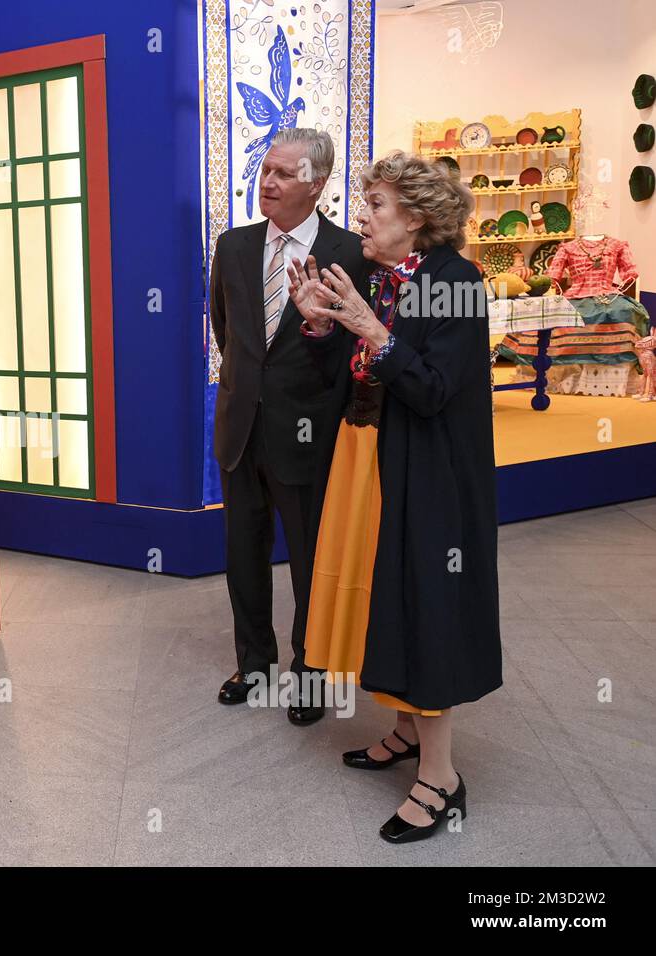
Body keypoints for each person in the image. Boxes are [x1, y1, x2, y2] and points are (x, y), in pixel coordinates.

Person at [289, 150, 502, 843]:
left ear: (416, 217)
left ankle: (442, 777)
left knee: (426, 607)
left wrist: (372, 330)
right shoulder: (386, 278)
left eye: (375, 204)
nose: (362, 216)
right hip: (376, 462)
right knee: (389, 600)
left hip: (432, 474)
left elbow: (435, 388)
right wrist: (321, 324)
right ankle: (406, 730)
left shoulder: (458, 282)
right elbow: (357, 370)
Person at [208, 129, 370, 724]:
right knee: (242, 555)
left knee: (308, 560)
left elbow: (355, 353)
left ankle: (309, 671)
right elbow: (227, 333)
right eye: (264, 171)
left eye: (282, 174)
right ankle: (254, 664)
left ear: (316, 184)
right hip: (240, 430)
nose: (267, 183)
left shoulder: (351, 255)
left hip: (309, 435)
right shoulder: (233, 245)